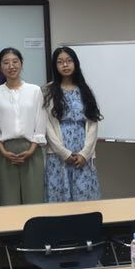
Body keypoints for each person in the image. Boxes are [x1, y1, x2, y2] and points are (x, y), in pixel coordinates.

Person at [0, 47, 47, 206]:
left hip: (32, 149)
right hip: (5, 150)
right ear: (0, 66)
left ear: (21, 63)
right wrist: (3, 151)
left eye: (15, 61)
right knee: (8, 200)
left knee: (34, 199)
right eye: (6, 62)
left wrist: (31, 150)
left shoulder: (34, 90)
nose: (11, 66)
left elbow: (40, 122)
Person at [43, 46, 102, 202]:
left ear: (75, 63)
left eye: (69, 61)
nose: (65, 65)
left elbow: (93, 123)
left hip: (83, 155)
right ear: (55, 66)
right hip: (58, 155)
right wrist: (64, 153)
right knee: (60, 200)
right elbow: (47, 125)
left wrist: (84, 154)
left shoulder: (85, 90)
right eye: (60, 62)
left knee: (85, 200)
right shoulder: (48, 91)